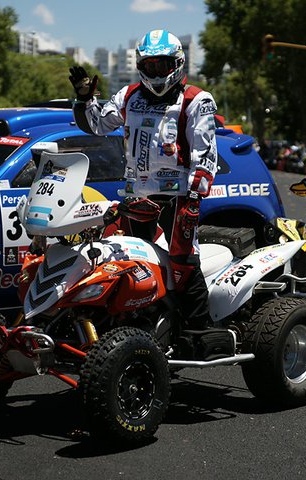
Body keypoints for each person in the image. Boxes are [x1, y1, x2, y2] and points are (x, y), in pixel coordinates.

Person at [68, 29, 218, 331]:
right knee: (136, 263)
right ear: (140, 66)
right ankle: (146, 328)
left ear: (176, 64)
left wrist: (193, 199)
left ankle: (201, 332)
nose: (156, 71)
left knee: (182, 263)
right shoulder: (129, 95)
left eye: (162, 65)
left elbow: (205, 156)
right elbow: (96, 125)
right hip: (137, 196)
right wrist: (84, 99)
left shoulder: (196, 100)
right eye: (150, 66)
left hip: (178, 199)